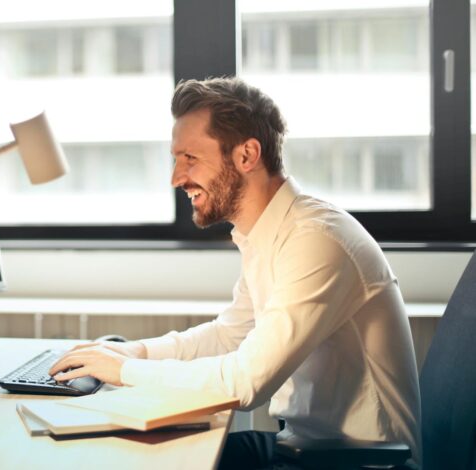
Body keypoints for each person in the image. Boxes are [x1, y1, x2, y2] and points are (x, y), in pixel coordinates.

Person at [49, 77, 421, 469]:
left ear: (247, 155)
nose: (176, 178)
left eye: (190, 158)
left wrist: (124, 371)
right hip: (304, 448)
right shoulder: (268, 233)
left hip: (356, 462)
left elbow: (246, 383)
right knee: (141, 452)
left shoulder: (317, 241)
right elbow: (230, 335)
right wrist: (136, 352)